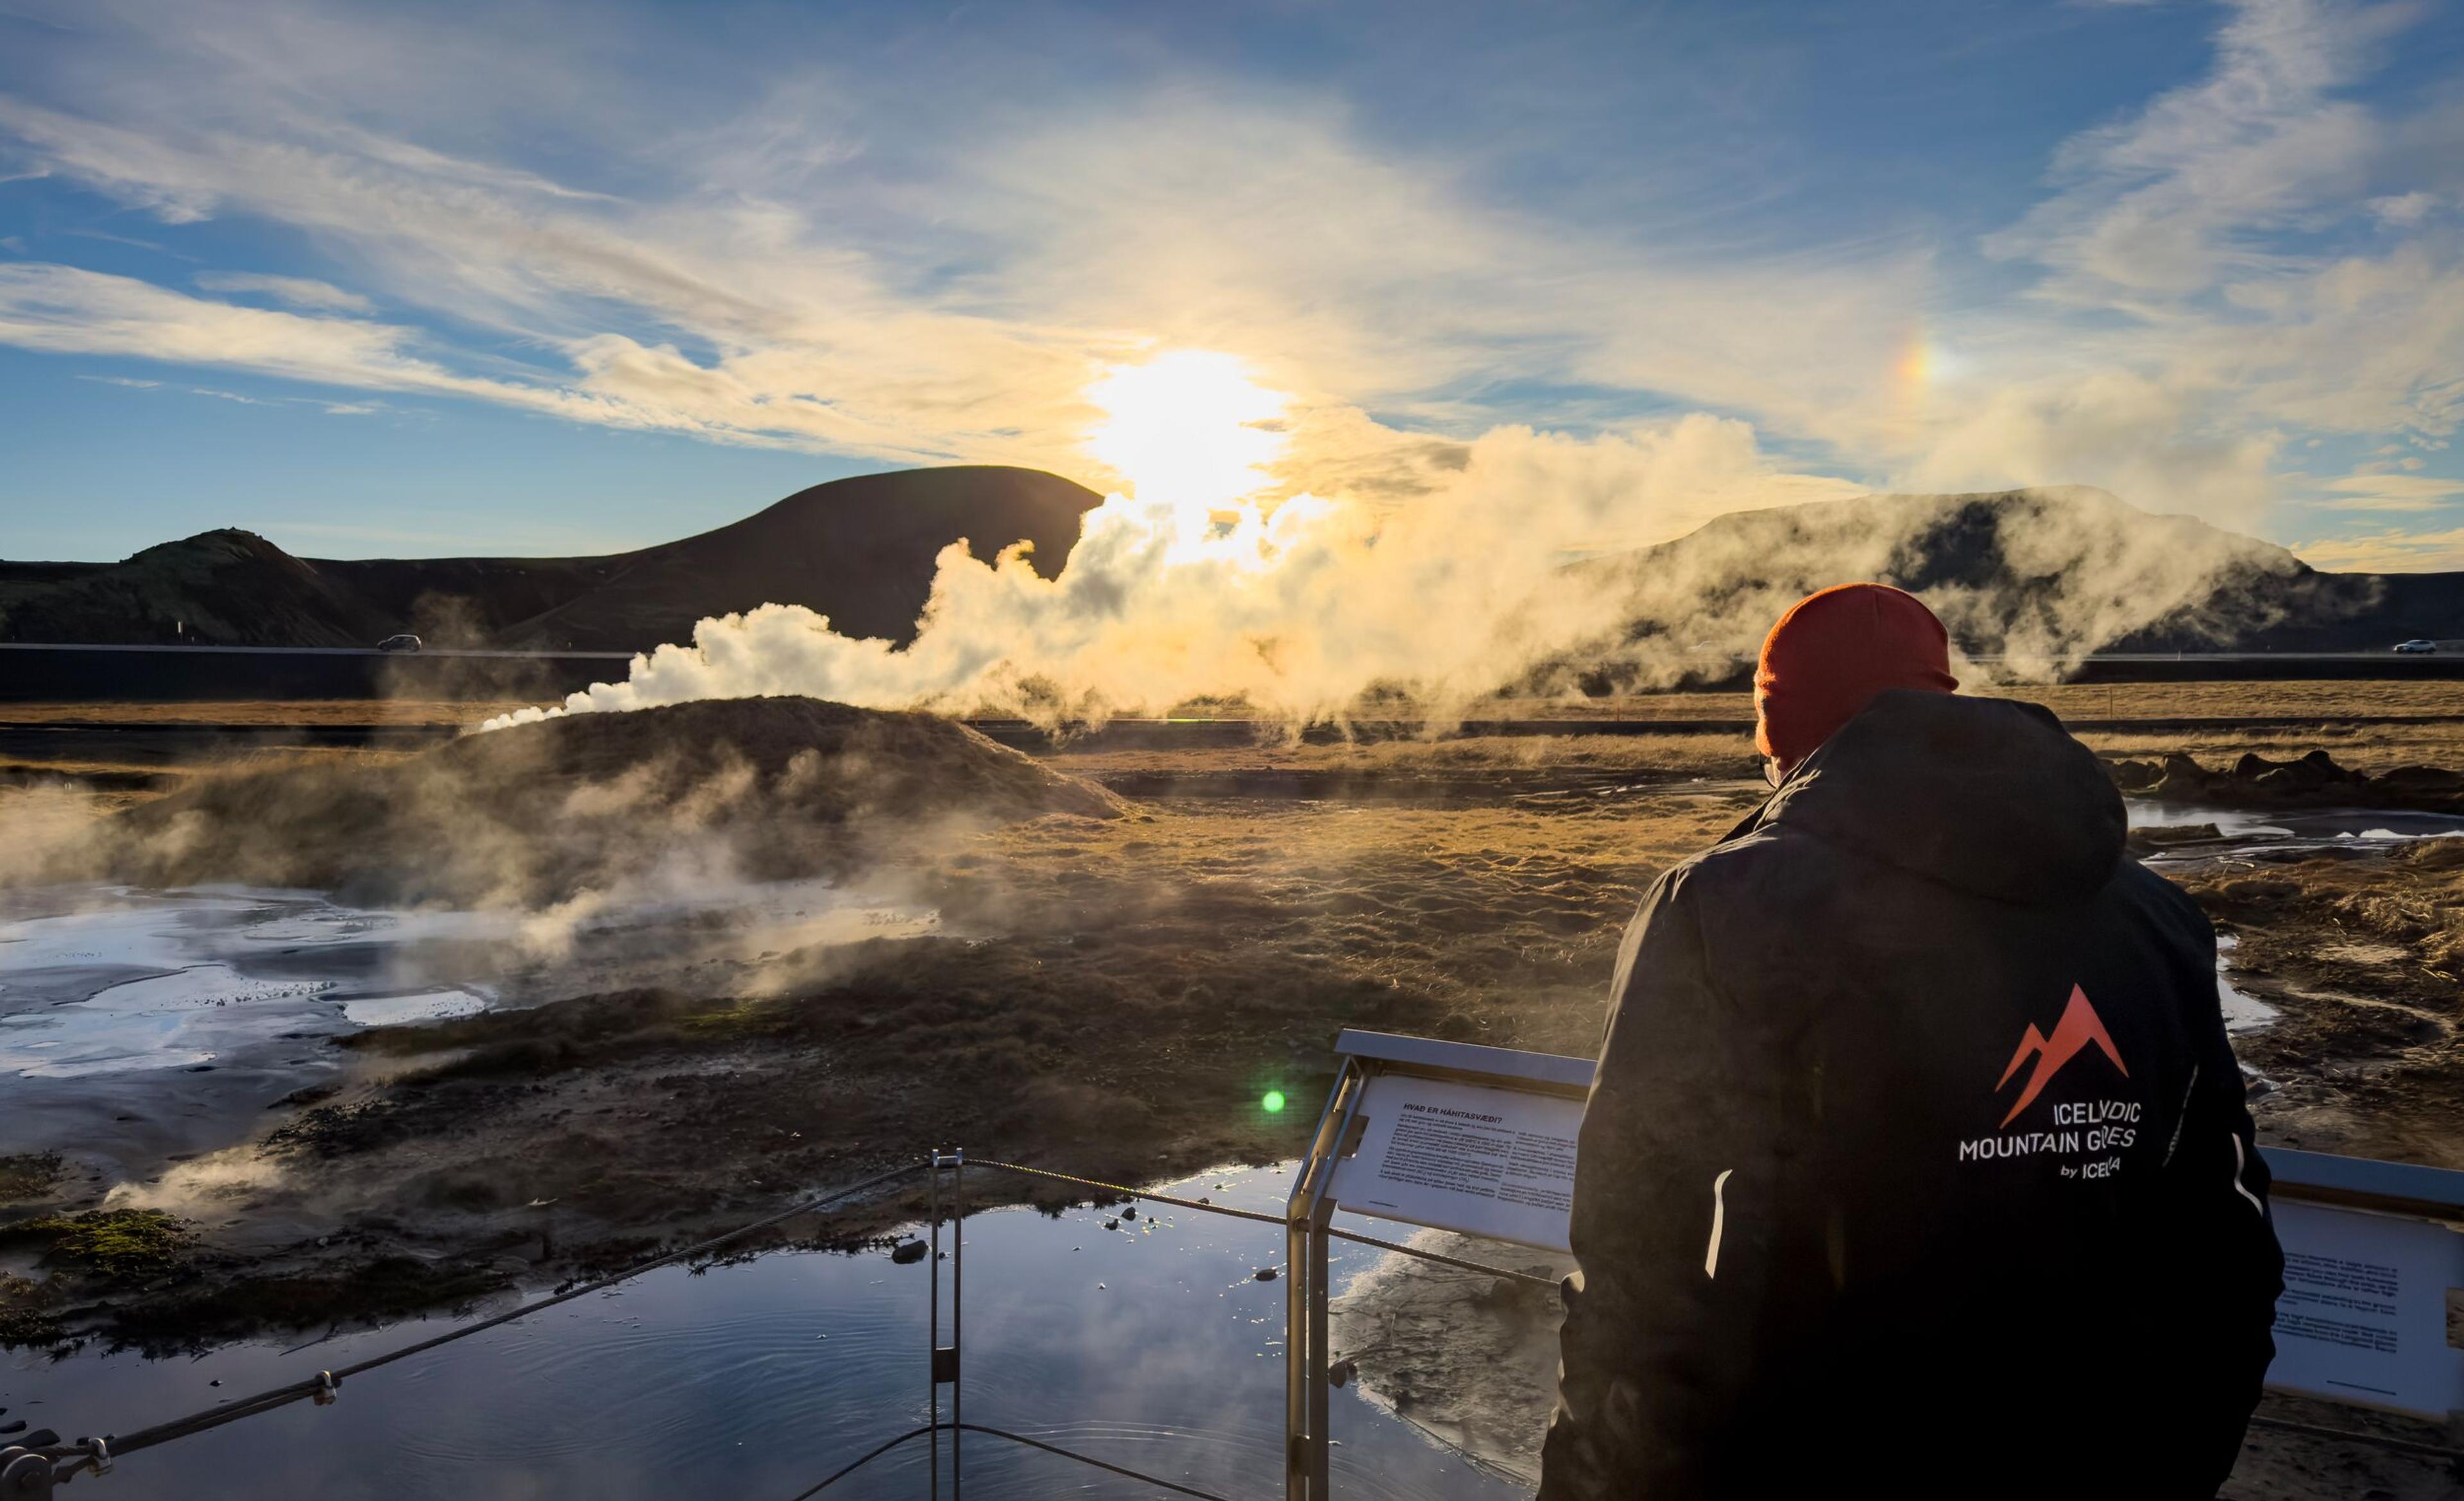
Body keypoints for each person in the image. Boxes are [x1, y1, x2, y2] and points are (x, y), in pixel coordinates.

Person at [1540, 583, 2284, 1500]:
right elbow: (2227, 1233)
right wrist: (2179, 1457)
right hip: (2096, 1459)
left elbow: (1636, 1252)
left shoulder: (1724, 909)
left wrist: (1592, 1480)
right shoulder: (2159, 919)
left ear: (1785, 730)